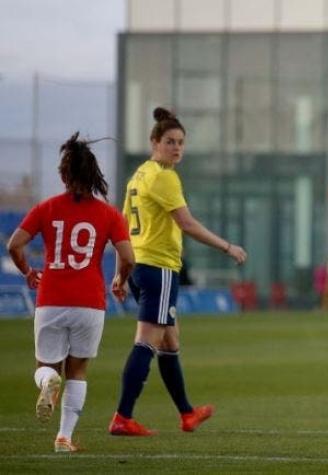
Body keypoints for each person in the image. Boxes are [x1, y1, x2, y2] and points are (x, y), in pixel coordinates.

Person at [109, 107, 247, 436]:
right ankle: (122, 416)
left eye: (181, 142)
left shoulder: (139, 174)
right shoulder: (164, 177)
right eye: (170, 141)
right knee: (146, 342)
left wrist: (121, 273)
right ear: (154, 142)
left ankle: (187, 413)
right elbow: (186, 223)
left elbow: (123, 227)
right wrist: (228, 247)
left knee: (170, 341)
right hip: (159, 269)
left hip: (140, 266)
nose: (177, 148)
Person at [6, 133, 135, 452]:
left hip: (51, 298)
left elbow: (14, 245)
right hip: (90, 303)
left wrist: (27, 271)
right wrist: (119, 278)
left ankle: (48, 382)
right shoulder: (108, 214)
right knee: (78, 370)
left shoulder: (46, 208)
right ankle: (63, 438)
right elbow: (129, 256)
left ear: (63, 175)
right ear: (93, 174)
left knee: (44, 367)